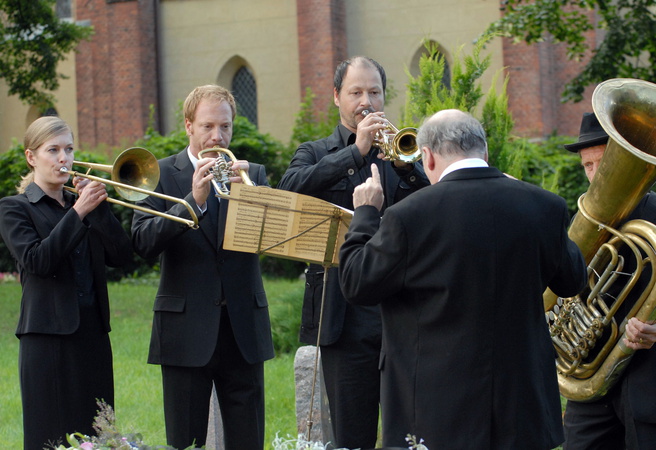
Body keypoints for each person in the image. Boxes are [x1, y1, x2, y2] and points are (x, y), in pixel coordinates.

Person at [338, 109, 588, 449]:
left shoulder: (408, 216)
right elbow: (573, 281)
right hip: (522, 408)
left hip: (436, 410)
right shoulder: (544, 206)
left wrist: (366, 214)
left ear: (426, 157)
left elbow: (356, 283)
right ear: (485, 153)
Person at [278, 56, 429, 449]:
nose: (367, 101)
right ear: (336, 97)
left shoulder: (405, 149)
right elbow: (288, 190)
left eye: (375, 92)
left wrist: (408, 166)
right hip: (342, 314)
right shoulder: (315, 151)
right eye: (356, 92)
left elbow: (436, 202)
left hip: (402, 310)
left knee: (410, 432)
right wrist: (355, 153)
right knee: (352, 433)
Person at [131, 84, 274, 450]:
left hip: (242, 328)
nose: (217, 136)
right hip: (184, 329)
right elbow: (143, 243)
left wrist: (253, 199)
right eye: (208, 126)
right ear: (188, 126)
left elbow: (269, 244)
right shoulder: (158, 173)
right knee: (185, 440)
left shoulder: (253, 173)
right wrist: (192, 202)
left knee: (249, 441)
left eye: (225, 127)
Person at [0, 116, 132, 450]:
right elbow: (37, 261)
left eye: (69, 149)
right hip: (47, 339)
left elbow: (123, 257)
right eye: (53, 150)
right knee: (51, 436)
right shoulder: (14, 208)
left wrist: (98, 210)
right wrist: (79, 214)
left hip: (93, 334)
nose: (64, 158)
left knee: (97, 435)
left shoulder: (83, 204)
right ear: (32, 157)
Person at [562, 112, 656, 449]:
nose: (594, 175)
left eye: (602, 162)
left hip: (649, 379)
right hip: (590, 384)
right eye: (587, 166)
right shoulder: (579, 223)